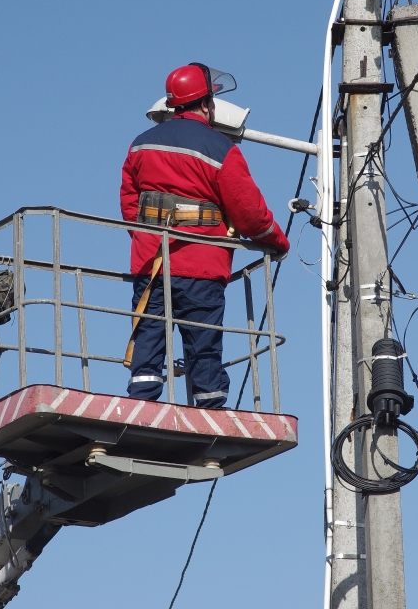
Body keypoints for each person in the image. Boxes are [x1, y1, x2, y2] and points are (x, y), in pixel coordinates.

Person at [120, 63, 291, 408]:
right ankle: (209, 411)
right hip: (201, 267)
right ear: (207, 104)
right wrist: (276, 240)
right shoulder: (220, 149)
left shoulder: (139, 145)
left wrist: (150, 239)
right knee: (203, 345)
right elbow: (249, 213)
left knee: (149, 336)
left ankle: (140, 405)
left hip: (151, 264)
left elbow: (130, 205)